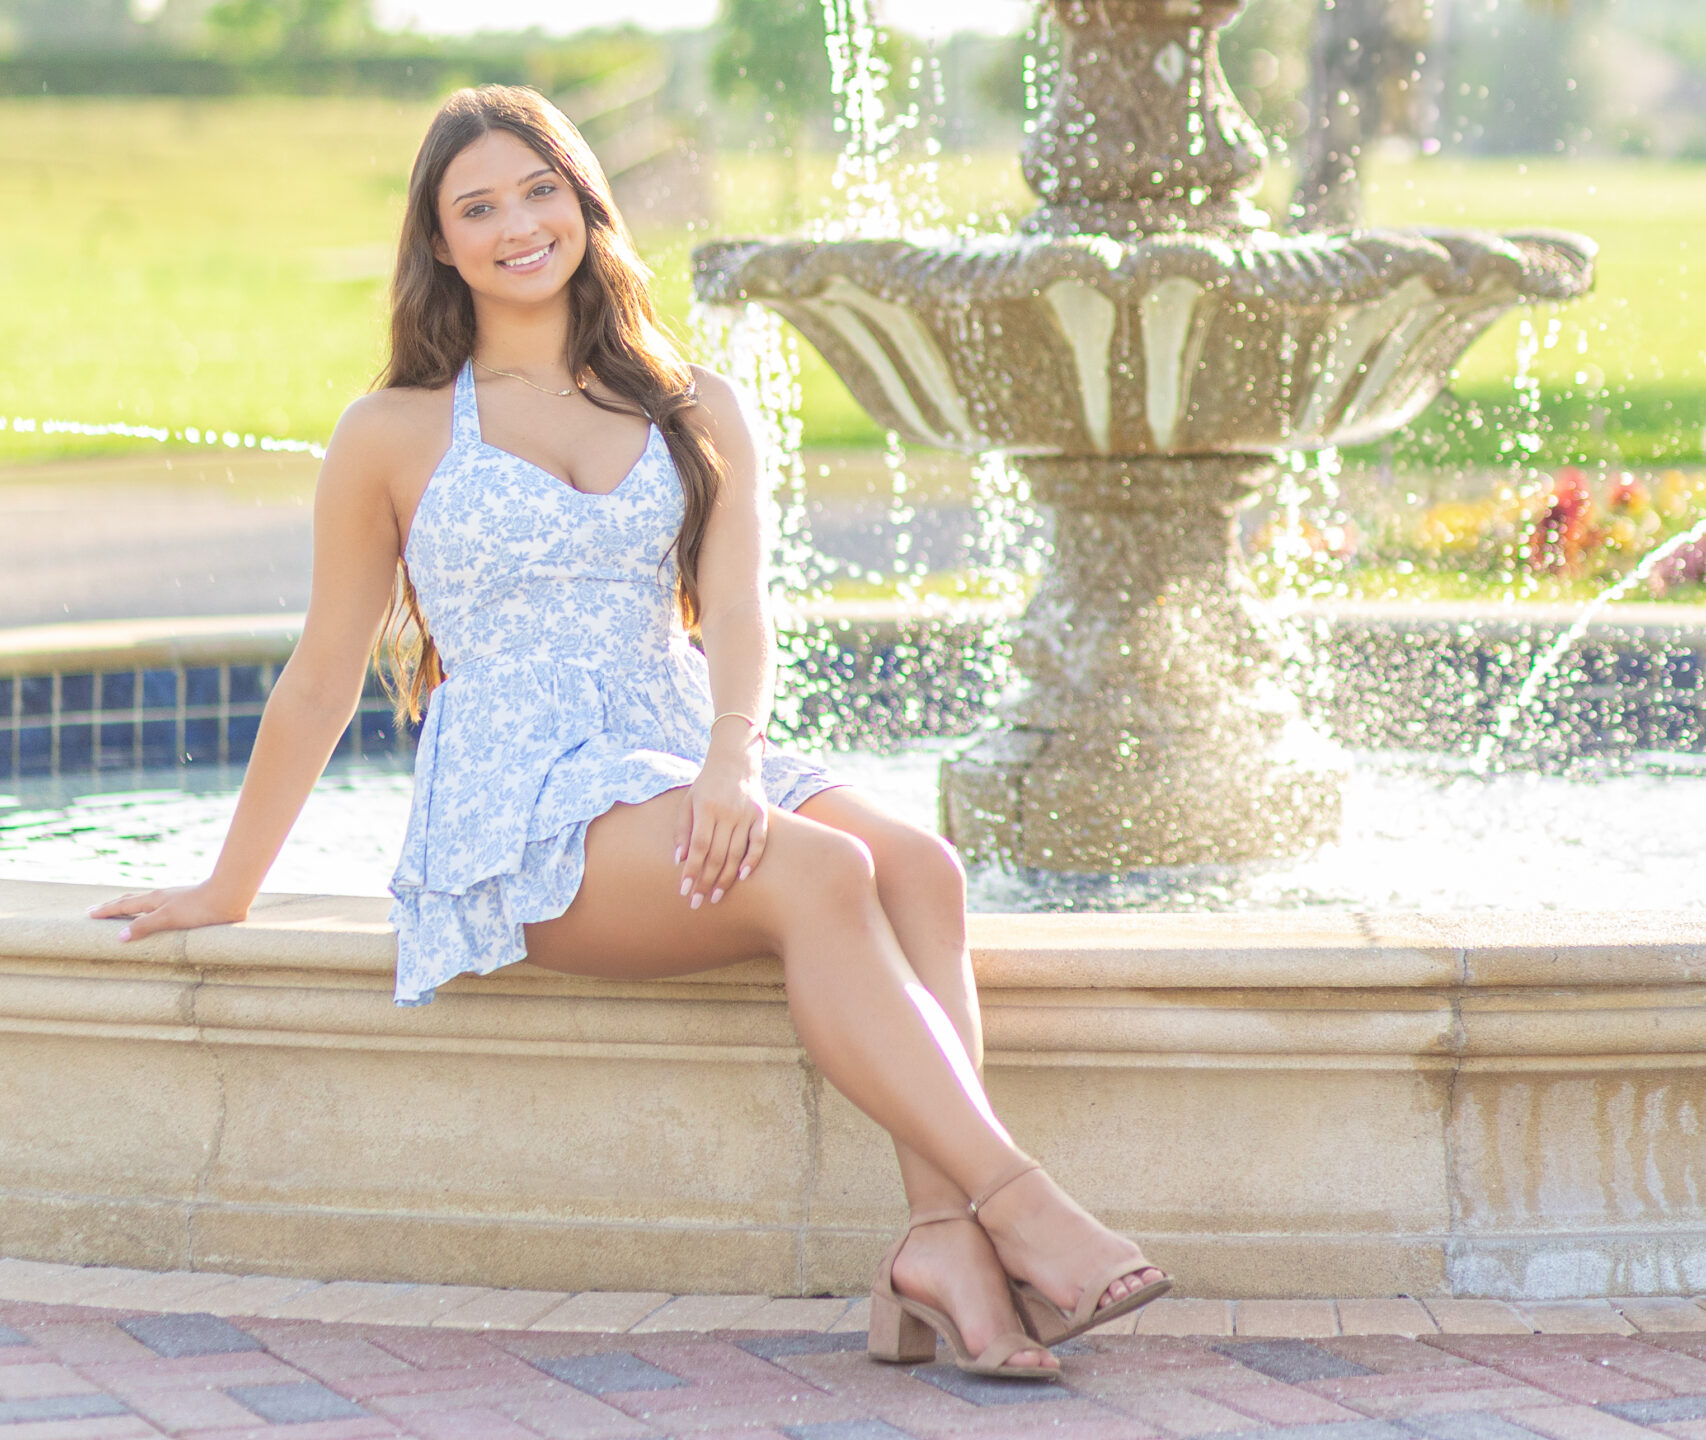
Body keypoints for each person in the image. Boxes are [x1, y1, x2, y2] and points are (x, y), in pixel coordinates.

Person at [94, 84, 1170, 1381]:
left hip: (680, 733)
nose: (516, 226)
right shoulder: (395, 430)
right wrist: (229, 884)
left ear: (585, 202)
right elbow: (324, 675)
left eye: (538, 190)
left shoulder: (690, 402)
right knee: (819, 873)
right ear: (440, 245)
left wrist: (731, 761)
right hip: (527, 792)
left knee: (921, 868)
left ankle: (939, 1243)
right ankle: (1018, 1205)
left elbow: (737, 608)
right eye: (476, 208)